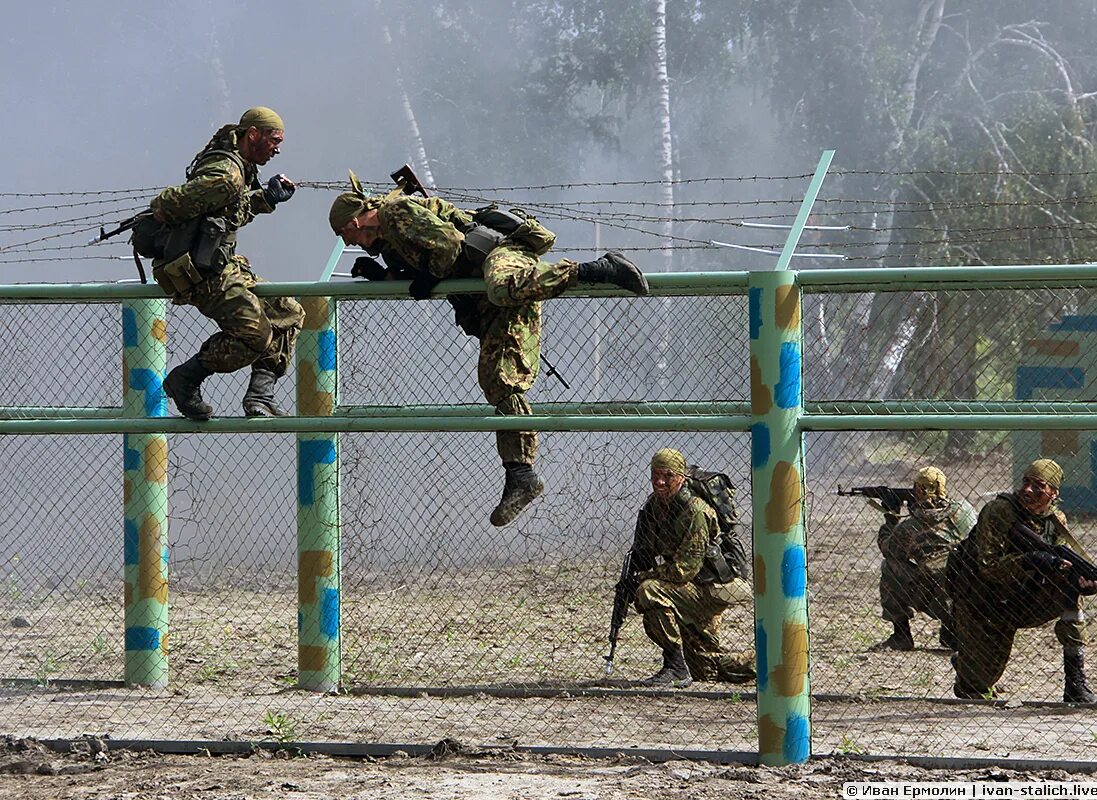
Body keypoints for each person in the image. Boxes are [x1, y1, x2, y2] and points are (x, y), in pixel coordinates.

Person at [328, 173, 649, 527]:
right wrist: (382, 276)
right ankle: (522, 475)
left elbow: (449, 246)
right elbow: (422, 270)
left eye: (346, 235)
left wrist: (431, 277)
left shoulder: (394, 213)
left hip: (501, 254)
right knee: (497, 379)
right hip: (479, 284)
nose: (352, 243)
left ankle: (600, 269)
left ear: (354, 221)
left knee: (502, 287)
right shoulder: (390, 240)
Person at [150, 106, 305, 420]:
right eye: (274, 140)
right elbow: (165, 206)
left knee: (288, 312)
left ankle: (260, 398)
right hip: (202, 273)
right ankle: (186, 378)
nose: (278, 148)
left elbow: (225, 215)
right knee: (256, 336)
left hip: (222, 265)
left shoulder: (238, 170)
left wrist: (267, 198)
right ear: (252, 135)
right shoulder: (227, 174)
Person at [948, 459, 1097, 703]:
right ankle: (966, 662)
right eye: (1026, 483)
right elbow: (988, 568)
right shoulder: (999, 511)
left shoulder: (1055, 520)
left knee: (1070, 586)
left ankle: (1075, 682)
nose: (1028, 490)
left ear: (1053, 493)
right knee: (974, 689)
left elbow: (1061, 563)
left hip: (1021, 598)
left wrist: (1083, 581)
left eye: (1039, 486)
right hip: (982, 601)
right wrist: (1029, 560)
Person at [629, 448, 755, 687]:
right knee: (706, 670)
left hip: (711, 588)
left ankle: (675, 667)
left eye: (667, 475)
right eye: (655, 475)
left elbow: (683, 570)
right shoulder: (655, 507)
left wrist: (645, 576)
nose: (660, 481)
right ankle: (772, 665)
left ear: (681, 477)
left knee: (649, 590)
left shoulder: (695, 511)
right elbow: (646, 550)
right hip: (691, 588)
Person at [871, 466, 976, 652]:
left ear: (919, 490)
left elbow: (888, 548)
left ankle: (901, 635)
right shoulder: (965, 510)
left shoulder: (910, 527)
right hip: (970, 596)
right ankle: (953, 628)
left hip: (935, 600)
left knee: (889, 566)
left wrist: (891, 518)